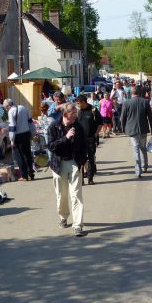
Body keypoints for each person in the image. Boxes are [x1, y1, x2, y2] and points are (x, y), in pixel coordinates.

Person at [47, 102, 88, 237]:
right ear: (65, 114)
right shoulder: (54, 126)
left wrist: (83, 161)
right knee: (62, 195)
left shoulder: (78, 127)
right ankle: (63, 217)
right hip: (58, 165)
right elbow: (51, 146)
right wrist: (66, 138)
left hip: (74, 163)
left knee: (76, 195)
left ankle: (77, 226)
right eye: (73, 114)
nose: (76, 116)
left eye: (76, 114)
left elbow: (84, 145)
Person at [120, 85, 152, 179]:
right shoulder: (145, 102)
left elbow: (122, 117)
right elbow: (150, 118)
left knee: (135, 149)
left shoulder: (127, 102)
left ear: (131, 93)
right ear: (139, 93)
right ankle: (145, 166)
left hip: (132, 130)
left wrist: (123, 128)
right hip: (143, 129)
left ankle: (138, 170)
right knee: (143, 148)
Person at [3, 98, 34, 181]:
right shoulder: (23, 108)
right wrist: (33, 133)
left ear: (9, 105)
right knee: (28, 154)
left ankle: (24, 176)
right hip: (26, 134)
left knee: (19, 157)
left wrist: (12, 140)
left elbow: (12, 127)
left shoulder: (11, 111)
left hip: (18, 136)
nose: (6, 109)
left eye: (6, 107)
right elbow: (30, 121)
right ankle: (31, 173)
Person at [76, 94, 101, 185]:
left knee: (91, 159)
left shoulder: (93, 110)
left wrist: (95, 135)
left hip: (90, 139)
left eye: (78, 103)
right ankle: (81, 179)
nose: (78, 105)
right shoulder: (78, 111)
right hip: (80, 140)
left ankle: (90, 178)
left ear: (83, 102)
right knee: (81, 160)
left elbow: (100, 123)